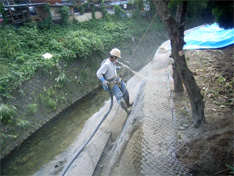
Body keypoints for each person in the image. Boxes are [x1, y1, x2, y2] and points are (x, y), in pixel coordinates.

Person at [96, 48, 132, 114]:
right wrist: (103, 80)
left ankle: (128, 104)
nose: (117, 60)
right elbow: (98, 73)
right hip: (111, 82)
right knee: (119, 97)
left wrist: (120, 67)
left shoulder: (112, 62)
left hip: (117, 79)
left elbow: (112, 69)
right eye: (117, 58)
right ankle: (127, 110)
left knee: (126, 92)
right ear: (114, 57)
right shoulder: (106, 64)